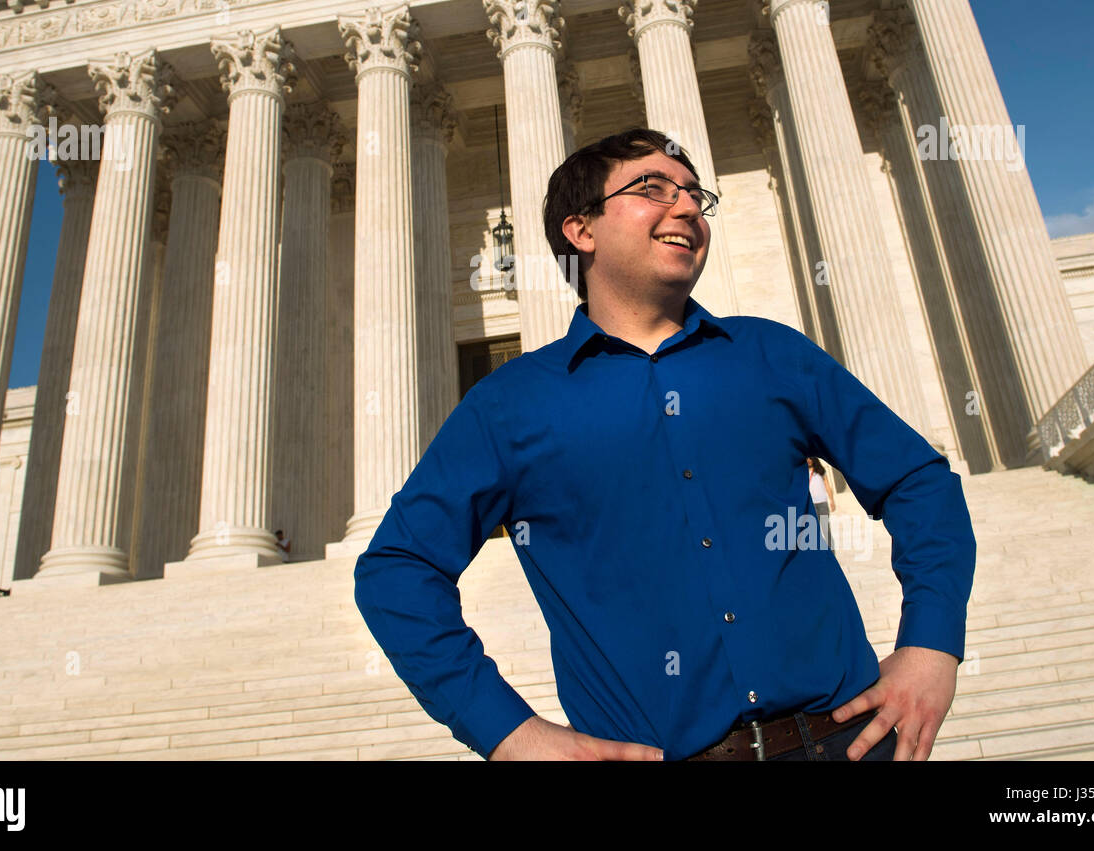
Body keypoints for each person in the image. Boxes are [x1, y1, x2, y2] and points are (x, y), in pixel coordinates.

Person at [353, 127, 976, 762]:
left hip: (847, 744)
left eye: (693, 194)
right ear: (581, 230)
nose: (685, 208)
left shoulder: (771, 354)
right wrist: (510, 734)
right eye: (651, 189)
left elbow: (918, 482)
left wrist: (932, 644)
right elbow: (397, 570)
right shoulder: (508, 406)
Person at [808, 455, 836, 554]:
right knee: (814, 531)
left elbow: (827, 485)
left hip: (822, 504)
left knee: (826, 529)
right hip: (811, 505)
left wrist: (832, 500)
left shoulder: (820, 471)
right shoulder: (802, 472)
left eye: (810, 458)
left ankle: (832, 553)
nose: (808, 460)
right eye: (807, 458)